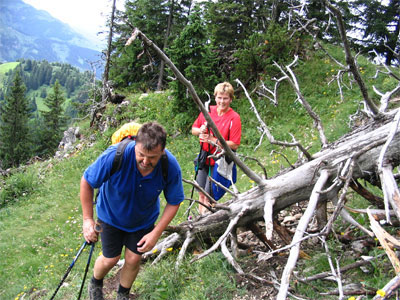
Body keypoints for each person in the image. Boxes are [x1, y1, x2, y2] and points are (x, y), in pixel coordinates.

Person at [80, 122, 184, 300]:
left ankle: (123, 294)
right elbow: (87, 182)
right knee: (110, 259)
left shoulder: (170, 166)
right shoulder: (115, 156)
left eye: (152, 157)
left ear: (162, 151)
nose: (145, 161)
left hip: (142, 221)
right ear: (135, 144)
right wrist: (88, 219)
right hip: (109, 217)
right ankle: (96, 283)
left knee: (134, 259)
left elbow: (174, 201)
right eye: (141, 154)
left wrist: (156, 233)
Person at [191, 82, 241, 214]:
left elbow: (234, 144)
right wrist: (200, 131)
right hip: (205, 156)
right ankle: (200, 221)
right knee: (201, 192)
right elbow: (193, 129)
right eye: (219, 97)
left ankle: (208, 223)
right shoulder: (208, 111)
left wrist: (214, 140)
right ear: (215, 97)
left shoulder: (234, 118)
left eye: (225, 98)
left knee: (210, 195)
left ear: (231, 99)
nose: (222, 101)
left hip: (220, 159)